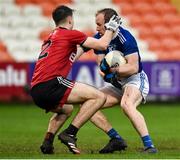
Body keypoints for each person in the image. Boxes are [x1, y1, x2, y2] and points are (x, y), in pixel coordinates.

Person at [30, 5, 122, 154]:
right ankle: (70, 133)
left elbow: (72, 56)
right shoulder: (69, 34)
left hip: (36, 90)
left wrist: (85, 47)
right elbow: (102, 44)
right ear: (70, 20)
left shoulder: (50, 37)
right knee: (99, 97)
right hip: (52, 84)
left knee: (66, 109)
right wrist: (111, 27)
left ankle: (47, 142)